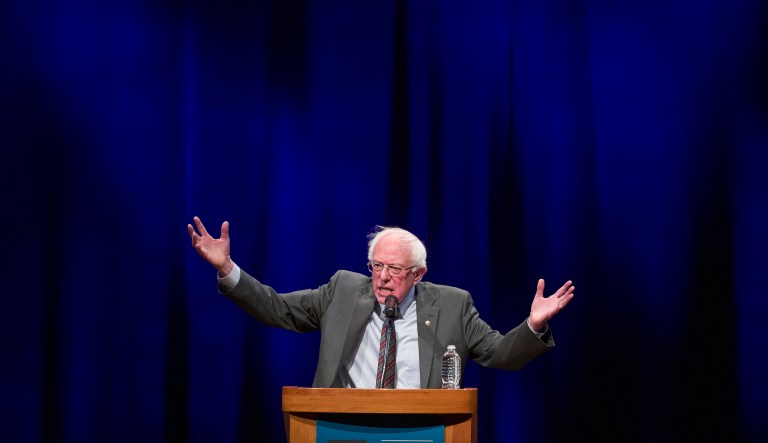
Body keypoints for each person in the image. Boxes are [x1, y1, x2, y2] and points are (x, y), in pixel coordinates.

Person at [187, 216, 574, 389]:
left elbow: (500, 353)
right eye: (377, 266)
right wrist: (228, 269)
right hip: (343, 427)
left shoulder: (453, 305)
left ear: (419, 274)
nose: (383, 277)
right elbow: (276, 307)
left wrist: (533, 325)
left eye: (395, 269)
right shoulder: (341, 290)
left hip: (418, 431)